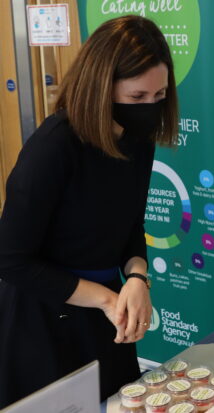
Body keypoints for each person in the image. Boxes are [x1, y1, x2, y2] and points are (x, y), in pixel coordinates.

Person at [0, 15, 178, 408]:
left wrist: (136, 278)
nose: (149, 108)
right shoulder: (53, 148)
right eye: (137, 98)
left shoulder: (138, 141)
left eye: (159, 97)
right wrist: (105, 299)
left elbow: (131, 223)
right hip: (43, 319)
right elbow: (11, 260)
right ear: (102, 87)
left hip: (104, 316)